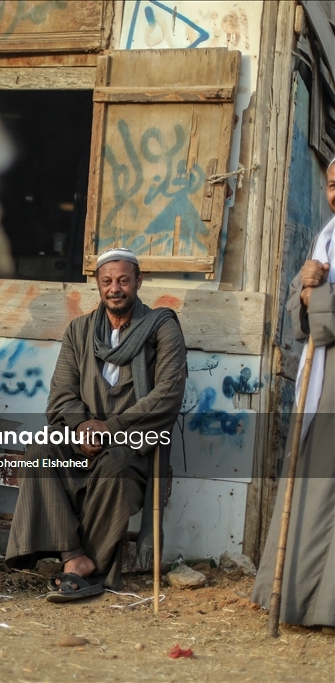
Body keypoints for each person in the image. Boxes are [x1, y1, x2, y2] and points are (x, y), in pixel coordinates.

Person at [5, 248, 187, 601]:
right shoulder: (79, 330)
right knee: (40, 450)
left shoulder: (162, 327)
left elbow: (168, 394)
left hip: (133, 440)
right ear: (98, 285)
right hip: (83, 437)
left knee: (116, 466)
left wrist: (111, 428)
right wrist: (81, 427)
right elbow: (61, 394)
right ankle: (74, 556)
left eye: (123, 280)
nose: (114, 288)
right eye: (107, 281)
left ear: (138, 281)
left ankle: (88, 568)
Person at [251, 158, 335, 629]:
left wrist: (314, 297)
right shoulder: (326, 239)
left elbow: (318, 309)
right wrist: (304, 290)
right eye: (332, 185)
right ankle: (301, 600)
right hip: (321, 379)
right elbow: (297, 311)